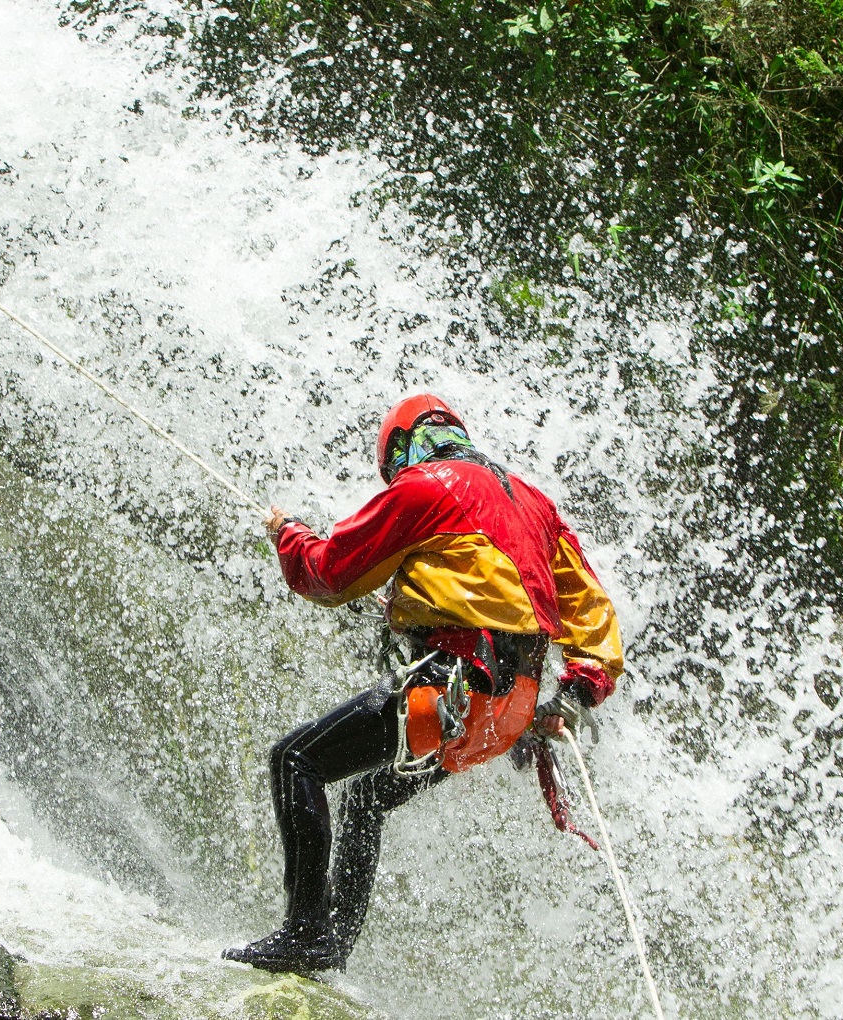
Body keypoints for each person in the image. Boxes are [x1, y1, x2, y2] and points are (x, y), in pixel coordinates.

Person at [223, 393, 624, 974]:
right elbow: (592, 611)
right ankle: (331, 947)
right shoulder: (534, 503)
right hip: (510, 713)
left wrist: (288, 533)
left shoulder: (424, 487)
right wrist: (578, 691)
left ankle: (306, 935)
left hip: (453, 689)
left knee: (295, 762)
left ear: (400, 450)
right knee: (367, 796)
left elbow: (330, 573)